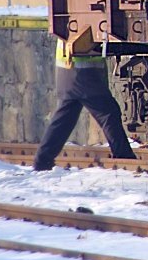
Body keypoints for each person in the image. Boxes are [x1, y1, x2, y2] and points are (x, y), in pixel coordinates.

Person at [33, 27, 136, 171]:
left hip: (67, 72)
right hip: (84, 72)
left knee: (63, 121)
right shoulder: (84, 20)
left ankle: (42, 161)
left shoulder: (70, 18)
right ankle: (124, 158)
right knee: (108, 113)